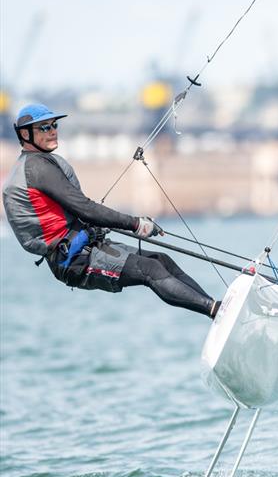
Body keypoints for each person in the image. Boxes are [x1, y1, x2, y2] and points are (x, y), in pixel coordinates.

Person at [2, 103, 219, 318]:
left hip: (87, 246)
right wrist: (136, 223)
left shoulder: (41, 163)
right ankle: (214, 310)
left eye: (54, 125)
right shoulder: (36, 167)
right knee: (150, 271)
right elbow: (85, 209)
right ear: (25, 134)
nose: (52, 131)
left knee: (161, 260)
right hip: (73, 260)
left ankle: (215, 308)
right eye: (44, 128)